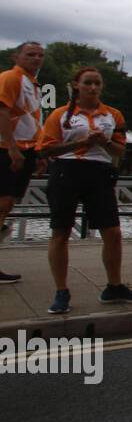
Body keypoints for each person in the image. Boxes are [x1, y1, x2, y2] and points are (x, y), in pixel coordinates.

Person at [38, 67, 132, 313]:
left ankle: (114, 287)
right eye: (88, 83)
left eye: (97, 83)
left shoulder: (113, 115)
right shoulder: (59, 115)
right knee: (61, 233)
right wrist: (82, 142)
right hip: (66, 172)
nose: (93, 87)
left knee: (113, 232)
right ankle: (61, 292)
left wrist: (104, 141)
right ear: (76, 85)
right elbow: (46, 150)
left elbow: (120, 151)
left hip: (99, 173)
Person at [0, 41, 45, 284]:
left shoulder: (33, 84)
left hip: (26, 149)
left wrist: (37, 153)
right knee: (3, 201)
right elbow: (2, 112)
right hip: (8, 149)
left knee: (8, 204)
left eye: (40, 55)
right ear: (15, 56)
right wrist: (12, 148)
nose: (36, 59)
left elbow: (31, 121)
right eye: (30, 54)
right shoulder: (10, 78)